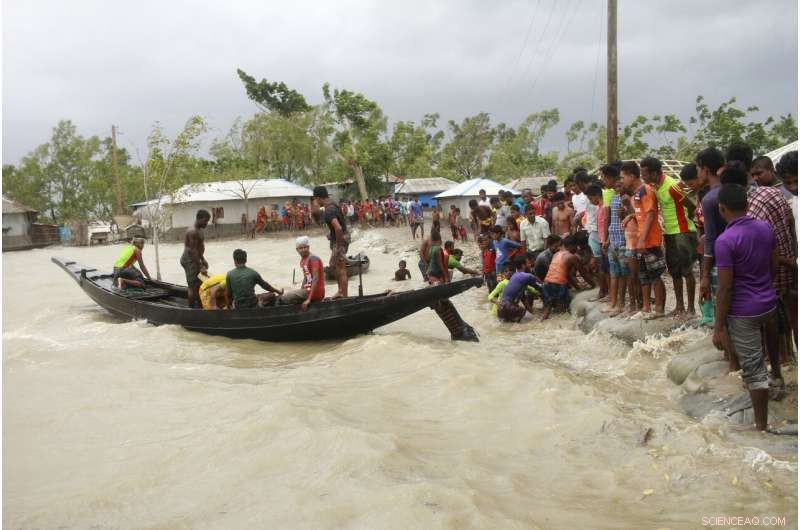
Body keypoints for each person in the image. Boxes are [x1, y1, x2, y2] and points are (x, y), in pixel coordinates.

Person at [712, 184, 779, 432]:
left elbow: (726, 288)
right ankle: (779, 378)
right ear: (747, 205)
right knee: (769, 349)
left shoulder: (725, 241)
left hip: (744, 312)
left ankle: (760, 425)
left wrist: (718, 327)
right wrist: (766, 288)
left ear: (722, 209)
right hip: (769, 302)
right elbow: (774, 262)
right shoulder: (765, 227)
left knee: (754, 370)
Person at [641, 156, 698, 318]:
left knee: (687, 271)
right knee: (674, 271)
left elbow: (691, 206)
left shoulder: (672, 186)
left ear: (654, 173)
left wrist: (689, 225)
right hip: (670, 232)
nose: (643, 177)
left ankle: (691, 309)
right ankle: (679, 306)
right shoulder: (656, 187)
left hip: (683, 231)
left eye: (645, 174)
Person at [621, 160, 666, 318]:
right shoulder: (637, 193)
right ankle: (646, 308)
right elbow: (641, 214)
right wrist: (630, 215)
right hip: (642, 239)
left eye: (623, 177)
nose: (622, 181)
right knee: (644, 275)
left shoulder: (646, 190)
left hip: (650, 239)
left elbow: (651, 214)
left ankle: (659, 309)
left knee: (655, 275)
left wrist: (642, 239)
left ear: (632, 176)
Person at [696, 147, 727, 315]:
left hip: (719, 261)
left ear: (705, 170)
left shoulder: (709, 199)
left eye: (698, 169)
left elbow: (711, 239)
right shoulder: (731, 190)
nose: (698, 174)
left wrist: (705, 275)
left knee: (721, 310)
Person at [541, 235, 590, 320]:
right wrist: (593, 286)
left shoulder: (556, 254)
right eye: (576, 246)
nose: (577, 249)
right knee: (563, 311)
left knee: (547, 309)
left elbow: (566, 275)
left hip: (546, 283)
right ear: (572, 246)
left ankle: (542, 322)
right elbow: (584, 274)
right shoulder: (572, 257)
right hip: (559, 285)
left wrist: (578, 287)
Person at [313, 186, 349, 298]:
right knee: (335, 266)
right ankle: (340, 291)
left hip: (340, 241)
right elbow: (339, 226)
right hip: (341, 237)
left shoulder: (328, 210)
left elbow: (338, 228)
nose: (315, 202)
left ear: (318, 198)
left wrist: (337, 248)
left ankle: (344, 296)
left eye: (315, 199)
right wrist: (332, 234)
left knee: (340, 268)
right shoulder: (334, 205)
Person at [278, 236, 325, 311]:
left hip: (316, 292)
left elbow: (315, 278)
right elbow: (306, 278)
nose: (303, 250)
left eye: (305, 247)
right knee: (291, 296)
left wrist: (309, 299)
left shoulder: (313, 259)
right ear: (297, 250)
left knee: (284, 298)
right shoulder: (303, 260)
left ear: (308, 247)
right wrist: (301, 290)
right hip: (308, 290)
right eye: (300, 248)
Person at [180, 209, 210, 308]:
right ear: (199, 219)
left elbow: (198, 248)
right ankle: (191, 310)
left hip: (196, 258)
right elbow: (192, 251)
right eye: (205, 221)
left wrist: (203, 258)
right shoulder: (192, 231)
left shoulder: (199, 230)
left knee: (200, 284)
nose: (207, 223)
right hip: (189, 260)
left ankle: (200, 306)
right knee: (192, 286)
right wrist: (201, 266)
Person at [497, 256, 541, 322]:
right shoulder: (526, 275)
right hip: (509, 307)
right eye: (528, 263)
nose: (530, 265)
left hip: (501, 308)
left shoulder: (514, 277)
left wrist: (532, 313)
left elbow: (524, 301)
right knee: (533, 321)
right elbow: (541, 285)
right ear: (523, 265)